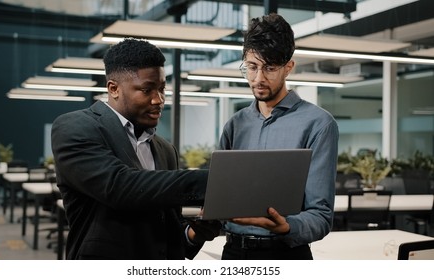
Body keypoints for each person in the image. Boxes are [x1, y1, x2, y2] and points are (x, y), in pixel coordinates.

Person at [51, 38, 220, 260]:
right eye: (147, 90)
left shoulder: (165, 149)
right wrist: (216, 181)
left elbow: (168, 229)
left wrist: (193, 234)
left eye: (161, 89)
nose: (158, 100)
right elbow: (120, 187)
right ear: (114, 89)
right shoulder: (75, 127)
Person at [218, 13, 339, 260]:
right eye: (251, 67)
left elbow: (321, 216)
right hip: (234, 253)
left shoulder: (318, 124)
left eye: (270, 68)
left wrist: (287, 226)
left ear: (289, 67)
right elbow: (220, 200)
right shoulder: (235, 125)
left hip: (286, 254)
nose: (258, 78)